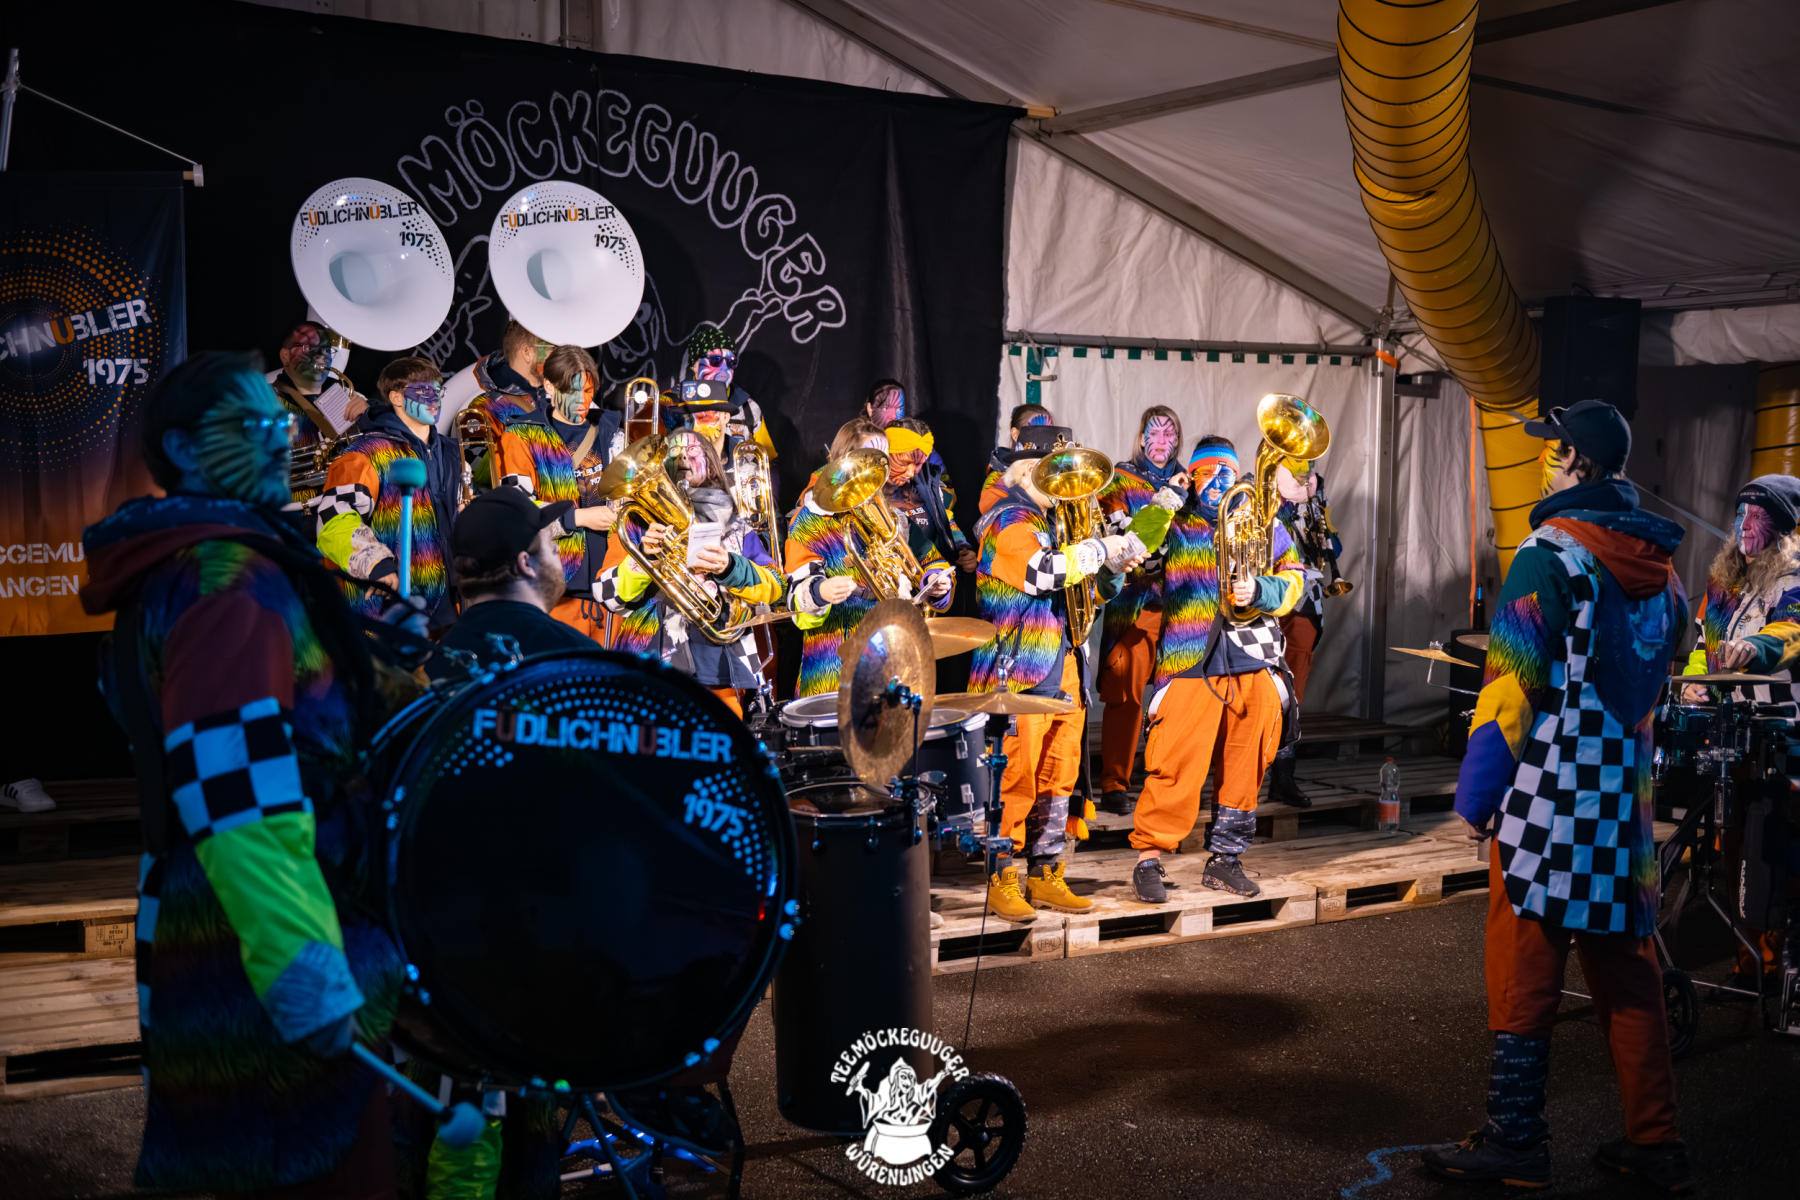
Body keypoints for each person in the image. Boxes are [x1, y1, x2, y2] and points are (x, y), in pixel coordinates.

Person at [81, 351, 419, 1196]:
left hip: (244, 933)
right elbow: (238, 797)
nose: (280, 440)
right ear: (183, 449)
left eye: (281, 422)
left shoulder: (204, 565)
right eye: (251, 425)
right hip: (266, 954)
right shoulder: (224, 579)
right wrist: (306, 973)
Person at [1422, 400, 1692, 1190]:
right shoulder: (1665, 569)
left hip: (1550, 799)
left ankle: (1516, 1141)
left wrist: (1478, 796)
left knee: (1525, 965)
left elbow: (1511, 688)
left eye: (1554, 450)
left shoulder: (1547, 556)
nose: (1545, 463)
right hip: (1624, 804)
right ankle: (1658, 1144)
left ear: (1578, 462)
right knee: (1629, 970)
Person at [968, 424, 1146, 920]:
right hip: (1018, 669)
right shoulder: (1007, 518)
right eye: (1055, 473)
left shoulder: (1057, 523)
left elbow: (1088, 595)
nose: (1066, 485)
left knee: (1059, 773)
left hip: (1065, 663)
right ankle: (1001, 876)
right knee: (1014, 776)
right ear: (1027, 471)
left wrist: (1113, 569)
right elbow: (1040, 573)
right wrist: (1099, 551)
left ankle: (1046, 871)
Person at [1127, 436, 1306, 903]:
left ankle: (1225, 859)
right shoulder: (1176, 521)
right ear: (1193, 476)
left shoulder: (1262, 520)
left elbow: (1296, 580)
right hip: (1189, 660)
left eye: (1225, 472)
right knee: (1174, 764)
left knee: (1247, 765)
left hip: (1253, 659)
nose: (1217, 482)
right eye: (1206, 473)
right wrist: (1167, 498)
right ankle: (1149, 859)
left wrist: (1262, 590)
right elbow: (1136, 551)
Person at [1676, 474, 1800, 983]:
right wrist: (1693, 682)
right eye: (1740, 514)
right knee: (1736, 848)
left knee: (1776, 851)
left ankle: (1782, 970)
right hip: (1735, 736)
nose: (1744, 525)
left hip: (1784, 737)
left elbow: (1791, 631)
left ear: (1781, 528)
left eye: (1757, 516)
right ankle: (1752, 966)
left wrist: (1755, 648)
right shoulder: (1723, 584)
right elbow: (1703, 647)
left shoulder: (1793, 580)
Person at [595, 429, 786, 716]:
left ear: (712, 463)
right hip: (649, 659)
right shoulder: (635, 524)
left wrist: (731, 568)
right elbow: (607, 596)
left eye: (694, 450)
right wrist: (644, 559)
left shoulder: (738, 527)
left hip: (722, 664)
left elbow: (777, 589)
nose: (684, 456)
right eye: (673, 451)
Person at [786, 438, 955, 698]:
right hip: (832, 667)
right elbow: (796, 601)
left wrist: (936, 581)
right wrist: (820, 591)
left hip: (892, 661)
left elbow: (933, 560)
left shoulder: (895, 517)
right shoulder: (808, 522)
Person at [314, 356, 459, 632]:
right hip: (391, 611)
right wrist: (375, 563)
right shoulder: (364, 453)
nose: (434, 398)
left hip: (455, 608)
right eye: (422, 390)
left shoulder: (455, 452)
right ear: (396, 398)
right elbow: (334, 519)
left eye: (437, 390)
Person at [1095, 406, 1188, 815]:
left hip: (1182, 609)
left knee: (1177, 699)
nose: (1162, 441)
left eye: (1170, 434)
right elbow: (1121, 539)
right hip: (1137, 605)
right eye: (1155, 432)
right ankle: (1114, 782)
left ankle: (1167, 780)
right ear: (1142, 436)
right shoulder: (1120, 478)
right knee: (1126, 696)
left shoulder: (1189, 480)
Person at [493, 345, 620, 640]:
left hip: (615, 588)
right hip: (557, 591)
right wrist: (577, 518)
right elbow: (517, 515)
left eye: (588, 391)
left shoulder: (612, 431)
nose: (582, 400)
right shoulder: (521, 436)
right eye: (573, 391)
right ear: (549, 386)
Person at [426, 488, 596, 681]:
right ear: (525, 564)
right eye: (551, 545)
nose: (557, 548)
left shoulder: (437, 662)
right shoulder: (578, 656)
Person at [1266, 454, 1349, 808]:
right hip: (1263, 595)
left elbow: (1332, 546)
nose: (1305, 470)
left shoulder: (1316, 491)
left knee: (1292, 690)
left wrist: (1326, 536)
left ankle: (1283, 774)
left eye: (1308, 464)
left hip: (1305, 599)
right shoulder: (1255, 488)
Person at [883, 417, 977, 572]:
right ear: (886, 454)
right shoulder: (868, 494)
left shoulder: (926, 482)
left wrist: (961, 546)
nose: (911, 473)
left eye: (918, 464)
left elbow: (944, 519)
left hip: (935, 578)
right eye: (904, 463)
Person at [980, 403, 1054, 515]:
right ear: (1015, 434)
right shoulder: (997, 480)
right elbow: (1004, 519)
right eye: (1036, 431)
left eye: (1050, 433)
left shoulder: (1051, 473)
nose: (1045, 439)